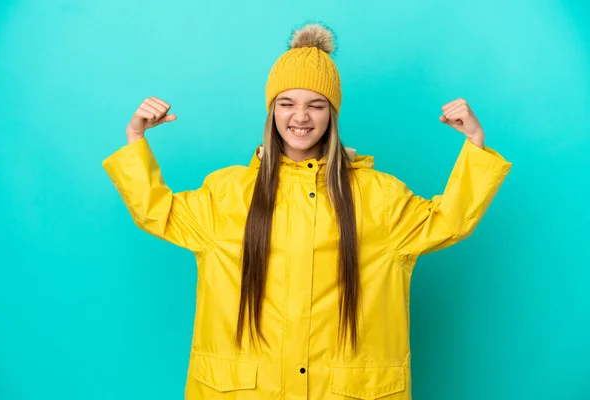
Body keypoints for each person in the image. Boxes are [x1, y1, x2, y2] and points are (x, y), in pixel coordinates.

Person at [103, 23, 512, 400]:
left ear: (331, 113)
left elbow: (449, 221)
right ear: (271, 110)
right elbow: (156, 211)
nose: (300, 117)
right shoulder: (228, 194)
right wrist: (135, 137)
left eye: (316, 105)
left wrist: (474, 143)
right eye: (286, 103)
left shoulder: (378, 196)